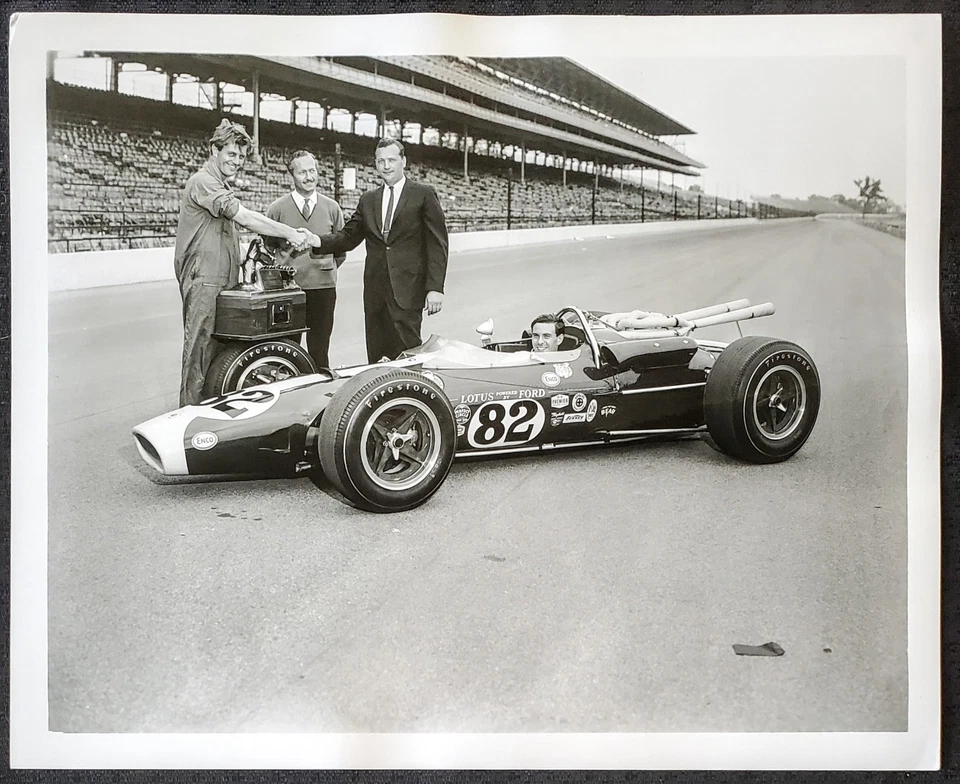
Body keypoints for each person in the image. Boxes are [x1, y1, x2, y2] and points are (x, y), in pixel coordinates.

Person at [174, 119, 317, 407]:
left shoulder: (219, 185)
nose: (237, 161)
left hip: (223, 280)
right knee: (199, 352)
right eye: (231, 154)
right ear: (214, 150)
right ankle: (187, 419)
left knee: (218, 354)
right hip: (204, 279)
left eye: (241, 156)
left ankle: (211, 414)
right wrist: (290, 232)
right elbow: (246, 218)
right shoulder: (203, 182)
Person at [307, 138, 449, 363]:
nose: (386, 166)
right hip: (375, 292)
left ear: (404, 161)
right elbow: (348, 237)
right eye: (381, 161)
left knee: (408, 357)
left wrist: (435, 288)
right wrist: (316, 240)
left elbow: (437, 244)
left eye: (392, 160)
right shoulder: (368, 200)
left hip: (407, 291)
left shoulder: (423, 194)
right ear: (375, 164)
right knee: (376, 355)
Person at [263, 150, 346, 369]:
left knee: (320, 350)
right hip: (289, 291)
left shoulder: (332, 208)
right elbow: (270, 247)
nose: (309, 177)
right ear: (292, 175)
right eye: (302, 172)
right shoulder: (276, 209)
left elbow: (340, 249)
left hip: (323, 289)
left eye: (312, 171)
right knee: (287, 350)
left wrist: (322, 269)